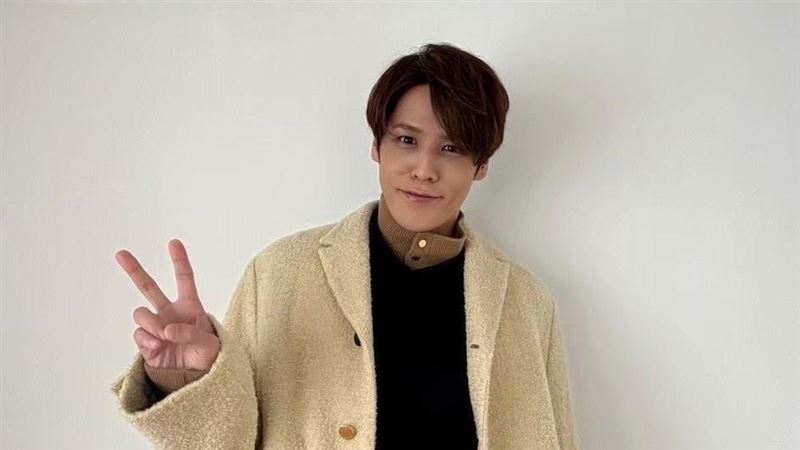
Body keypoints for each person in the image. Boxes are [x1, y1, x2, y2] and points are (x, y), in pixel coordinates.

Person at [110, 42, 578, 450]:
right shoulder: (278, 275)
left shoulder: (526, 302)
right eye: (406, 140)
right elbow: (228, 441)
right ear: (377, 147)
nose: (424, 169)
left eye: (452, 148)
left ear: (481, 165)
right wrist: (190, 378)